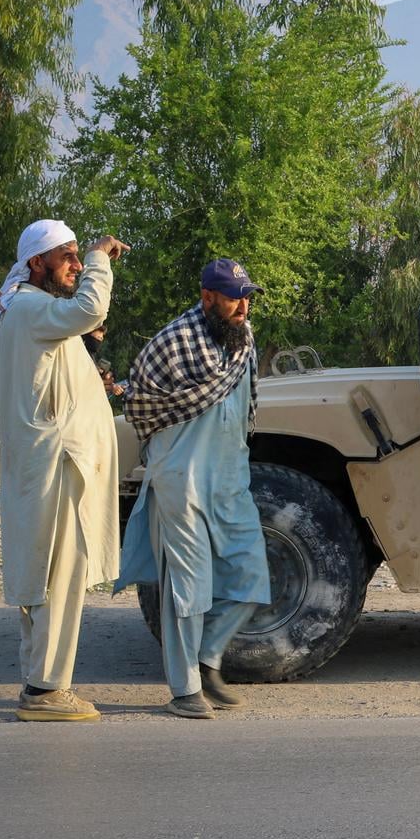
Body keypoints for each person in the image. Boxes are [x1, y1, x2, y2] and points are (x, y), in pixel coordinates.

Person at [116, 258, 269, 719]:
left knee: (251, 576)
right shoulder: (172, 343)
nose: (243, 305)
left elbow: (246, 408)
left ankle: (207, 659)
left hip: (229, 481)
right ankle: (184, 690)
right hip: (181, 482)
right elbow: (143, 407)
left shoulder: (244, 340)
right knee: (188, 589)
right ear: (207, 298)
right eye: (233, 296)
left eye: (247, 296)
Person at [0, 219, 130, 722]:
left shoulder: (25, 306)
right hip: (58, 467)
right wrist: (98, 257)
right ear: (36, 263)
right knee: (60, 577)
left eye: (78, 256)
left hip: (48, 467)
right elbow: (91, 306)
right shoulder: (31, 308)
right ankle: (48, 692)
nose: (75, 264)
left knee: (45, 575)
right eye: (66, 256)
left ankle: (39, 681)